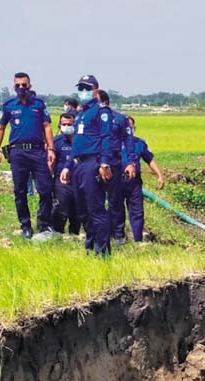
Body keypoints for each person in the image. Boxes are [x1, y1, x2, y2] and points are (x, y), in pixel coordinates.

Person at [0, 72, 56, 239]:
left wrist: (51, 149)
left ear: (30, 86)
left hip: (37, 152)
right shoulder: (9, 105)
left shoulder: (39, 105)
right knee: (20, 191)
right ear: (14, 87)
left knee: (45, 189)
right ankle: (25, 225)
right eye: (18, 85)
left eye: (24, 85)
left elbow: (47, 127)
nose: (21, 88)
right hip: (18, 153)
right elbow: (0, 129)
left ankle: (43, 223)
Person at [59, 74, 113, 256]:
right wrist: (67, 165)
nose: (83, 92)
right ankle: (90, 246)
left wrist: (104, 163)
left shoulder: (101, 112)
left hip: (93, 163)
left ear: (96, 90)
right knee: (83, 211)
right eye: (81, 88)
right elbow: (76, 143)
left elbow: (106, 138)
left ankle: (102, 251)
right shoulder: (80, 114)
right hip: (78, 165)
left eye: (87, 88)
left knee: (95, 208)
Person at [97, 89, 136, 245]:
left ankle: (118, 233)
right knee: (95, 199)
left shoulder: (119, 119)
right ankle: (98, 231)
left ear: (105, 103)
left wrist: (131, 162)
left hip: (113, 161)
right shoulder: (88, 118)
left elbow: (128, 141)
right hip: (94, 160)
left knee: (115, 200)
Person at [118, 116, 165, 242]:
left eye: (131, 127)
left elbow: (149, 160)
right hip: (117, 181)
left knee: (137, 212)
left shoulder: (140, 143)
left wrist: (159, 175)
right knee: (117, 210)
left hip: (134, 182)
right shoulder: (113, 143)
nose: (128, 130)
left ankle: (137, 239)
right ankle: (119, 238)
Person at [51, 113, 81, 234]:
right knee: (61, 207)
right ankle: (57, 232)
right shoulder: (55, 142)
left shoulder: (81, 142)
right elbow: (50, 161)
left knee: (77, 210)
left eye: (70, 124)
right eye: (64, 124)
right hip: (61, 181)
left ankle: (75, 233)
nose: (67, 126)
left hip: (78, 180)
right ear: (59, 125)